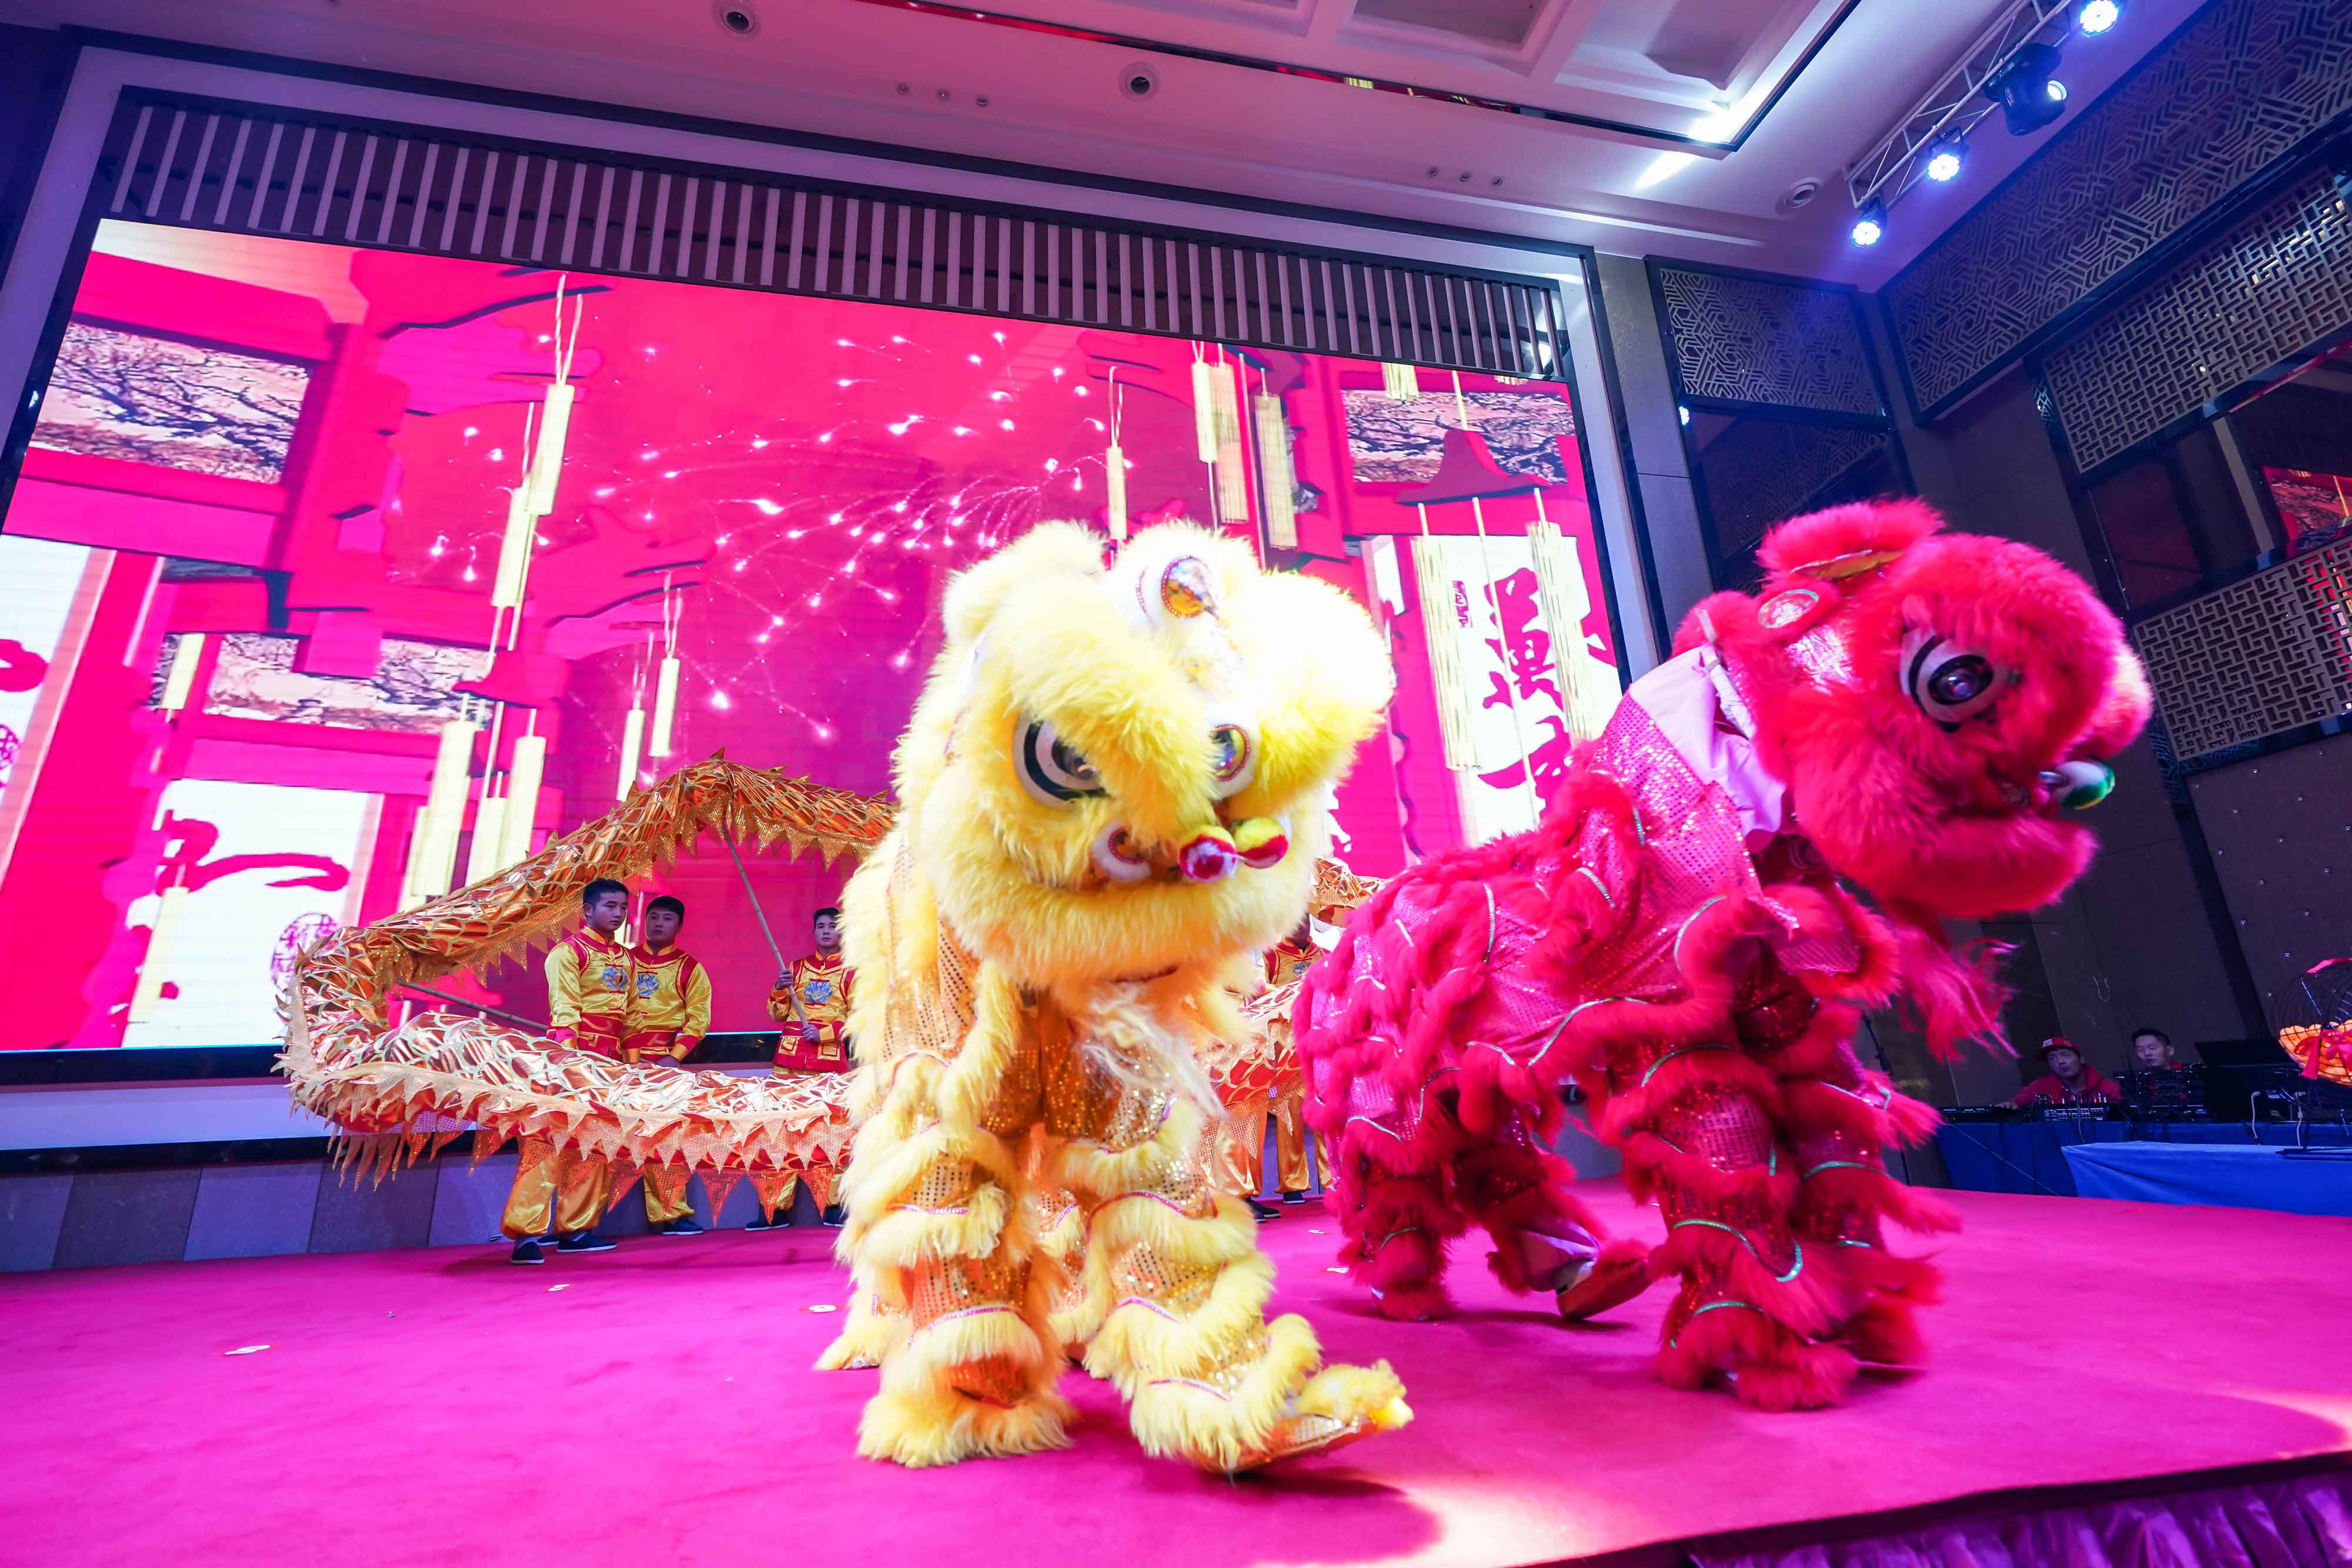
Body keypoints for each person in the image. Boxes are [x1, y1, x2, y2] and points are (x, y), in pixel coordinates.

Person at [502, 878, 632, 1264]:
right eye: (610, 906)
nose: (619, 913)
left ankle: (576, 1229)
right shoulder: (567, 953)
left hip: (611, 1062)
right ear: (587, 910)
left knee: (594, 1146)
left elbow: (633, 1015)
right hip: (570, 1059)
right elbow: (564, 1011)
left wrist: (631, 1063)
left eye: (623, 907)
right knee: (546, 1145)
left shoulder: (625, 958)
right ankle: (525, 1235)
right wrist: (569, 1063)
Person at [749, 905, 853, 1229]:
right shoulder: (794, 968)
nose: (826, 931)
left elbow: (863, 1019)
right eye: (820, 926)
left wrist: (825, 1033)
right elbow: (777, 1014)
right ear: (814, 931)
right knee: (780, 1132)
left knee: (830, 1134)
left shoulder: (853, 973)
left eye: (832, 926)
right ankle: (773, 1208)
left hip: (828, 1064)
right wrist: (780, 988)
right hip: (789, 1062)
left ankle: (833, 1205)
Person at [621, 893, 711, 1238]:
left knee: (664, 1139)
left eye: (667, 918)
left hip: (662, 1066)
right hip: (617, 1061)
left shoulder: (690, 968)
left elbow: (698, 1019)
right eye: (654, 917)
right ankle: (579, 1224)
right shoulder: (622, 961)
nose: (659, 924)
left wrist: (674, 1057)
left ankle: (672, 1214)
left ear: (679, 925)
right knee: (599, 1138)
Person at [1262, 915, 1323, 1206]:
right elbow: (1258, 1001)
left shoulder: (1325, 955)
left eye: (1305, 919)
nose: (1301, 925)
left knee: (1326, 1116)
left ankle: (1334, 1181)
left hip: (1320, 1048)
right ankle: (1293, 1184)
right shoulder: (1271, 958)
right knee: (1290, 1117)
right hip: (1286, 1051)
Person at [2009, 1035, 2123, 1107]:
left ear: (2081, 1059)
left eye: (2065, 1055)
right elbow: (2015, 1103)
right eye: (2052, 1058)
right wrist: (2009, 1106)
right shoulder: (2040, 1086)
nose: (2060, 1062)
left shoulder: (2107, 1088)